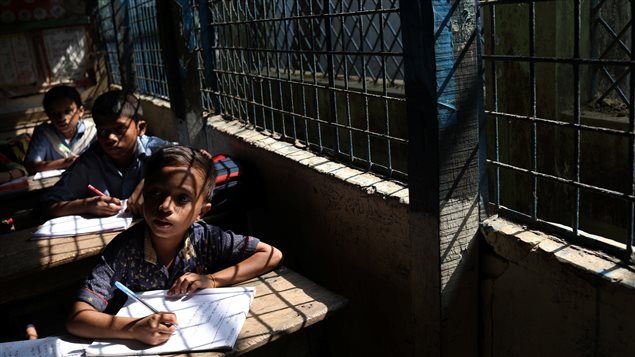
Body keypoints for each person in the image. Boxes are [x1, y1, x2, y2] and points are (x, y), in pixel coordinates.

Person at [65, 145, 283, 346]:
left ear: (201, 212)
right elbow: (76, 319)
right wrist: (133, 329)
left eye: (182, 198)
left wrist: (213, 280)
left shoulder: (206, 238)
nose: (165, 206)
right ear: (143, 195)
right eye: (156, 192)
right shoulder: (124, 251)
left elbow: (271, 254)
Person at [39, 90, 173, 218]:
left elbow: (191, 160)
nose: (110, 138)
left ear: (140, 128)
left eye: (120, 128)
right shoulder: (89, 163)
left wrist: (150, 182)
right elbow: (44, 206)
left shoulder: (155, 150)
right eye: (103, 131)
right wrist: (85, 205)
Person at [24, 85, 96, 174]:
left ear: (80, 111)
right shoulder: (44, 133)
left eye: (67, 111)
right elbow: (30, 166)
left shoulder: (92, 131)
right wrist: (65, 163)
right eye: (54, 113)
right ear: (48, 115)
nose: (61, 118)